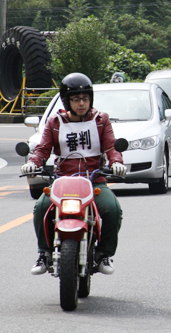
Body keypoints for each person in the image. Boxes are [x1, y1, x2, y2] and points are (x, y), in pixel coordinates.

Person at [21, 73, 127, 275]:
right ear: (66, 101)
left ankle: (104, 253)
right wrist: (33, 162)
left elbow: (112, 147)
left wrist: (116, 162)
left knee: (113, 209)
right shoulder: (55, 122)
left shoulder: (101, 120)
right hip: (63, 182)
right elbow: (42, 149)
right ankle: (44, 253)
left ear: (91, 99)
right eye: (76, 99)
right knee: (41, 207)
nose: (81, 103)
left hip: (94, 180)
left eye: (85, 98)